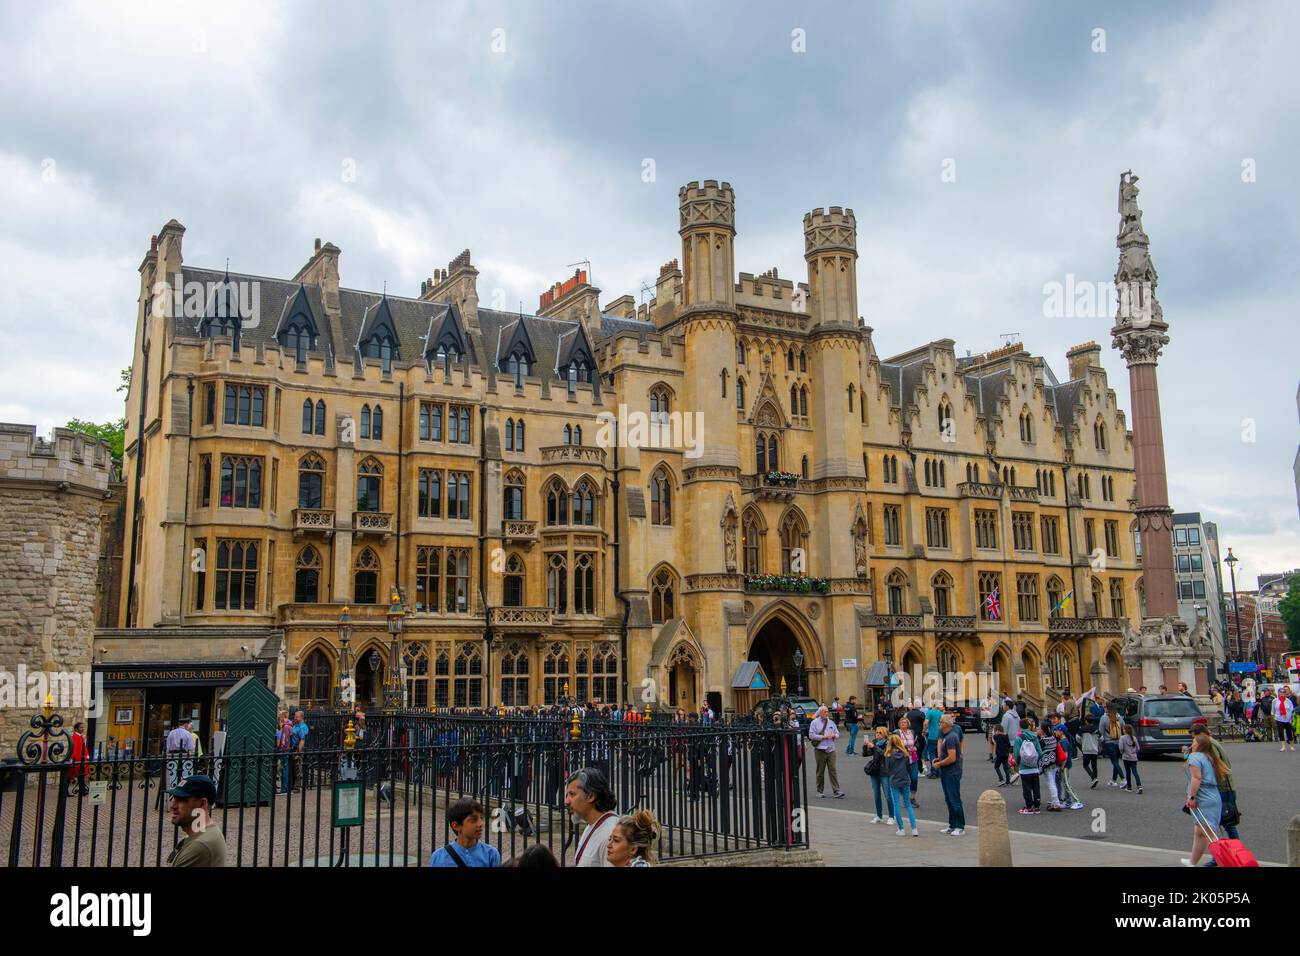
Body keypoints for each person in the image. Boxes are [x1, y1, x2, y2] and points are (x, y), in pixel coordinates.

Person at [1182, 735, 1226, 867]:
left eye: (1194, 741)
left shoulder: (1195, 757)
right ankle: (1192, 862)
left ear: (1199, 744)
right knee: (1200, 832)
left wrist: (1191, 797)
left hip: (1203, 798)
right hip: (1213, 796)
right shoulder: (1210, 757)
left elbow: (1196, 778)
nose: (1192, 743)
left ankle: (1224, 862)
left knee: (1210, 835)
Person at [166, 775, 226, 867]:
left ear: (202, 803)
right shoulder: (201, 832)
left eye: (181, 800)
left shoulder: (200, 844)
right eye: (174, 799)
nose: (173, 806)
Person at [565, 767, 619, 867]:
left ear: (590, 796)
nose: (566, 801)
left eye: (572, 794)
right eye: (567, 795)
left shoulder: (610, 834)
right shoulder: (593, 825)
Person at [429, 797, 501, 867]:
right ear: (456, 826)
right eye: (473, 820)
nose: (480, 824)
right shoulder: (439, 857)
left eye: (481, 818)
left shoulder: (491, 855)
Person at [934, 714, 965, 835]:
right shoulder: (946, 735)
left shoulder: (951, 737)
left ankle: (960, 826)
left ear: (946, 724)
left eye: (940, 722)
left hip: (952, 771)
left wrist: (939, 764)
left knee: (954, 799)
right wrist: (938, 760)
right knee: (948, 799)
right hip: (946, 771)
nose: (939, 724)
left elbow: (952, 758)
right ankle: (952, 825)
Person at [808, 705, 845, 798]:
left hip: (831, 749)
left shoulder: (831, 722)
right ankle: (820, 791)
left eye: (827, 712)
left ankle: (836, 791)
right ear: (820, 713)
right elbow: (811, 735)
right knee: (820, 771)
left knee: (833, 770)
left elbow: (837, 733)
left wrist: (834, 735)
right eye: (825, 712)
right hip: (820, 750)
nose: (827, 713)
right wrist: (823, 737)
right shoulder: (814, 722)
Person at [885, 733, 918, 836]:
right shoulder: (905, 754)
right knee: (908, 804)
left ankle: (901, 829)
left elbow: (887, 769)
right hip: (905, 779)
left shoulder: (888, 755)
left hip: (894, 780)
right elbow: (908, 768)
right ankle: (914, 829)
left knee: (896, 805)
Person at [865, 725, 896, 824]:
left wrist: (874, 747)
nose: (877, 734)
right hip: (874, 771)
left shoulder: (888, 743)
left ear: (885, 734)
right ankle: (879, 815)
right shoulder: (874, 742)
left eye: (880, 733)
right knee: (876, 794)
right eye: (876, 732)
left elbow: (885, 754)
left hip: (885, 771)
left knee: (888, 795)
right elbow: (866, 754)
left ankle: (892, 816)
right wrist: (865, 746)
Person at [1012, 717, 1043, 814]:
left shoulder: (1019, 737)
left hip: (1024, 767)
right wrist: (1036, 760)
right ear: (1029, 726)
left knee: (1027, 788)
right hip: (1034, 767)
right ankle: (1037, 806)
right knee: (1036, 787)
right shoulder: (1034, 736)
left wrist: (1017, 762)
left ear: (1020, 726)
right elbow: (1040, 752)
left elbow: (1016, 753)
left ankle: (1029, 807)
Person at [896, 716, 920, 808]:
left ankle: (912, 798)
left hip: (913, 758)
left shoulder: (912, 732)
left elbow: (917, 743)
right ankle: (905, 799)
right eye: (902, 722)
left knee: (914, 778)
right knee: (904, 779)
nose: (903, 724)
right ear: (899, 724)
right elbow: (894, 745)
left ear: (908, 724)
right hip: (902, 759)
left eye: (905, 722)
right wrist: (905, 749)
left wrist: (915, 748)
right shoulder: (897, 733)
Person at [1098, 704, 1125, 787]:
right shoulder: (1119, 718)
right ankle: (1113, 780)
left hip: (1109, 742)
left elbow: (1100, 731)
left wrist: (1100, 744)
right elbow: (1124, 728)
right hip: (1118, 742)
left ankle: (1123, 779)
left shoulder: (1104, 718)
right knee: (1116, 761)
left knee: (1114, 762)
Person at [1078, 709, 1101, 788]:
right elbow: (1101, 739)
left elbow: (1077, 738)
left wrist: (1082, 742)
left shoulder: (1082, 729)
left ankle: (1093, 777)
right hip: (1094, 749)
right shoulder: (1096, 729)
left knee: (1085, 765)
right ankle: (1095, 778)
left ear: (1086, 721)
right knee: (1094, 765)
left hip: (1086, 749)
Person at [922, 699, 944, 778]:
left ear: (933, 705)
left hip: (932, 736)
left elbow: (926, 723)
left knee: (932, 754)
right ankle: (939, 772)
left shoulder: (930, 712)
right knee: (939, 754)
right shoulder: (942, 713)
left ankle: (933, 772)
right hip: (941, 737)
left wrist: (924, 730)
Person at [1119, 723, 1142, 793]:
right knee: (1135, 771)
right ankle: (1139, 786)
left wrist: (1122, 753)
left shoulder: (1122, 738)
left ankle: (1129, 787)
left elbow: (1121, 748)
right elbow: (1138, 748)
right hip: (1134, 758)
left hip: (1126, 758)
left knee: (1128, 772)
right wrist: (1134, 753)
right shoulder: (1134, 738)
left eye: (1123, 729)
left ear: (1125, 730)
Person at [290, 710, 310, 792]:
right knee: (293, 767)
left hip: (298, 748)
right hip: (292, 748)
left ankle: (297, 787)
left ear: (301, 717)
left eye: (297, 716)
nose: (295, 718)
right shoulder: (295, 725)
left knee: (298, 767)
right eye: (295, 716)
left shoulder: (303, 727)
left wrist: (299, 752)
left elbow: (302, 740)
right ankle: (292, 785)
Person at [1272, 687, 1295, 751]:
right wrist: (1274, 717)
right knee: (1281, 732)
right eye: (1281, 692)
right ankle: (1283, 746)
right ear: (1278, 693)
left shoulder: (1288, 701)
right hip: (1278, 718)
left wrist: (1290, 718)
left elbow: (1291, 710)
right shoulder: (1275, 701)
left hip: (1287, 719)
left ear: (1285, 693)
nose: (1282, 693)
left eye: (1284, 692)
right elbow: (1273, 710)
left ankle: (1291, 746)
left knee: (1289, 732)